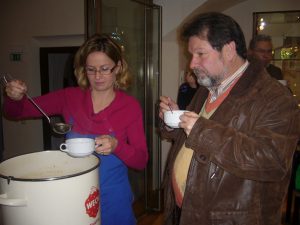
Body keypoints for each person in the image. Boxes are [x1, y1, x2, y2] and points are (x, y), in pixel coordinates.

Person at [159, 12, 300, 225]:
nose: (192, 64)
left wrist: (200, 130)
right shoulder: (208, 87)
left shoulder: (276, 98)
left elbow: (272, 162)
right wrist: (176, 120)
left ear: (229, 50)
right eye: (191, 55)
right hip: (185, 211)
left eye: (200, 54)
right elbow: (194, 137)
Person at [3, 33, 148, 225]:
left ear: (118, 67)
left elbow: (141, 161)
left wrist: (117, 146)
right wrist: (14, 98)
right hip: (74, 193)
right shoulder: (69, 98)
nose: (97, 76)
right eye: (91, 69)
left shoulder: (130, 106)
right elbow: (18, 112)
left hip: (114, 197)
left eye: (105, 69)